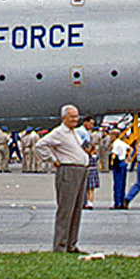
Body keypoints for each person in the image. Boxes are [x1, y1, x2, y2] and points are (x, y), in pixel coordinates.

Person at [34, 105, 91, 253]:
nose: (75, 119)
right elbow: (41, 145)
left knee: (77, 210)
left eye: (76, 116)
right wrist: (52, 159)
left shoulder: (74, 133)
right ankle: (60, 245)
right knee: (66, 210)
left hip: (80, 170)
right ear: (63, 118)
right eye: (72, 117)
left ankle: (71, 244)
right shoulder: (59, 132)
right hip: (68, 171)